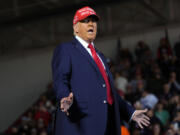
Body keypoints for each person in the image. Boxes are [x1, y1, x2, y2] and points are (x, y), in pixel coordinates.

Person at [51, 6, 150, 135]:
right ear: (75, 28)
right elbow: (60, 80)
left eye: (94, 21)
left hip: (107, 124)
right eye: (86, 21)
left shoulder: (100, 56)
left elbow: (109, 92)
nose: (91, 24)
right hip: (80, 124)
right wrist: (64, 98)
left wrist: (130, 112)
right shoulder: (66, 49)